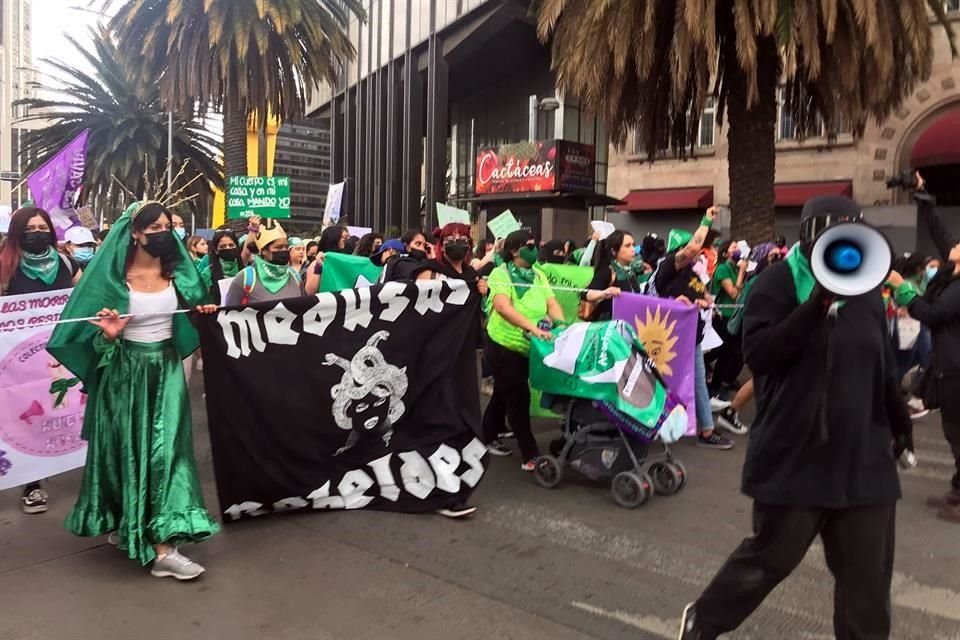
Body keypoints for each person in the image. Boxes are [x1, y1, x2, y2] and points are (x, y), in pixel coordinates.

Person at [679, 195, 912, 639]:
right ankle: (703, 620)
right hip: (796, 457)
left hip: (864, 461)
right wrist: (817, 304)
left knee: (867, 584)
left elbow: (880, 363)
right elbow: (760, 355)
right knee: (771, 559)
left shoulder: (865, 289)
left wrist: (900, 423)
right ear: (811, 233)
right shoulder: (776, 284)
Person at [47, 201, 219, 580]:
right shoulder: (112, 278)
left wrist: (203, 314)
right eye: (154, 228)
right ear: (135, 233)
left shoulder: (179, 274)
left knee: (169, 453)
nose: (163, 233)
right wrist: (110, 336)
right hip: (124, 374)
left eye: (167, 227)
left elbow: (196, 313)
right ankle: (137, 527)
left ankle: (164, 544)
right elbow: (85, 338)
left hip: (168, 370)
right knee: (127, 451)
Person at [0, 207, 83, 514]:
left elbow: (84, 295)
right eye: (30, 229)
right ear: (17, 233)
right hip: (21, 358)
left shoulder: (66, 262)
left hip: (61, 350)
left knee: (68, 406)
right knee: (26, 412)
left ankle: (74, 460)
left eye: (42, 227)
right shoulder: (5, 264)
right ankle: (32, 483)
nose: (37, 233)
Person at [888, 173, 960, 523]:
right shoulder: (953, 271)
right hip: (948, 365)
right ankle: (958, 489)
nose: (956, 244)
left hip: (957, 368)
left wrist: (902, 289)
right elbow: (939, 230)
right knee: (953, 429)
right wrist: (920, 191)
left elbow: (933, 313)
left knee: (958, 431)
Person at [648, 207, 733, 450]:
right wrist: (707, 220)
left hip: (689, 335)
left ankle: (704, 430)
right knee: (663, 381)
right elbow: (693, 248)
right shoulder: (669, 266)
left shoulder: (689, 272)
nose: (699, 252)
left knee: (695, 381)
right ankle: (700, 429)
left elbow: (698, 292)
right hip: (669, 338)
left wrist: (704, 302)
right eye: (692, 247)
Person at [483, 230, 564, 471]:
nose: (534, 249)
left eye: (535, 244)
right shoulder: (500, 273)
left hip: (528, 346)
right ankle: (530, 454)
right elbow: (502, 307)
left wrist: (561, 325)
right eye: (529, 245)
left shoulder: (538, 274)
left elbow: (551, 303)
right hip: (503, 345)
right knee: (518, 397)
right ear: (514, 250)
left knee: (503, 392)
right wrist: (533, 328)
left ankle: (487, 434)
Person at [707, 240, 749, 404]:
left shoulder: (735, 268)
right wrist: (742, 271)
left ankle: (722, 382)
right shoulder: (723, 269)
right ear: (725, 253)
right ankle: (715, 386)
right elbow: (733, 293)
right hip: (723, 317)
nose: (738, 249)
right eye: (734, 247)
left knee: (734, 353)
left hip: (735, 316)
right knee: (723, 352)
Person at [224, 219, 301, 305]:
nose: (284, 250)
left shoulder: (295, 276)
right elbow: (230, 310)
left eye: (286, 247)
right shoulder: (245, 278)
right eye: (278, 247)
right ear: (263, 250)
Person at [580, 230, 644, 321]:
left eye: (633, 245)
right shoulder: (608, 271)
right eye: (627, 246)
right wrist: (604, 293)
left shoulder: (630, 271)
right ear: (614, 251)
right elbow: (586, 294)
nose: (633, 249)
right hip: (610, 324)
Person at [415, 223, 489, 296]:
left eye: (463, 240)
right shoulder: (429, 272)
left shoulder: (473, 276)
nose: (457, 243)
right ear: (442, 246)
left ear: (469, 246)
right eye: (450, 240)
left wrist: (484, 292)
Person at [200, 229, 243, 304]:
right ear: (216, 250)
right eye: (223, 246)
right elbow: (203, 301)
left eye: (231, 245)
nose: (228, 248)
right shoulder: (208, 273)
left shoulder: (246, 271)